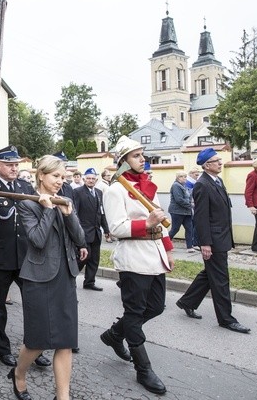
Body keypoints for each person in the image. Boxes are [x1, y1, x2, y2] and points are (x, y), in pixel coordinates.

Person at [99, 136, 174, 395]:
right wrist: (149, 223)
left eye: (143, 155)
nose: (143, 159)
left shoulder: (147, 186)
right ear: (123, 162)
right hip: (133, 259)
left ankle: (114, 335)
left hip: (154, 256)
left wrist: (168, 249)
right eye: (136, 155)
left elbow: (161, 219)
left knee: (156, 307)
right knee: (134, 314)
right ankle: (143, 369)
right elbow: (116, 228)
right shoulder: (115, 190)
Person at [12, 155, 86, 400]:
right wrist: (48, 210)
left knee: (65, 340)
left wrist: (68, 213)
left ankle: (62, 396)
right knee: (37, 341)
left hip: (65, 276)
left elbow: (80, 238)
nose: (60, 181)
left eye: (63, 177)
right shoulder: (27, 204)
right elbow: (37, 240)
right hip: (39, 278)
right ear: (41, 175)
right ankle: (19, 374)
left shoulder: (64, 200)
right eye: (55, 176)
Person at [0, 146, 50, 368]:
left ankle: (35, 349)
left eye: (16, 164)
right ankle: (3, 350)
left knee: (34, 304)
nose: (14, 168)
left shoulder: (24, 186)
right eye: (9, 164)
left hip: (25, 257)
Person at [176, 148, 251, 334]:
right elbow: (200, 217)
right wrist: (205, 243)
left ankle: (187, 301)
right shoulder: (202, 184)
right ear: (207, 165)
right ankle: (226, 319)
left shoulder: (217, 180)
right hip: (214, 240)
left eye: (220, 160)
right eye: (217, 160)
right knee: (220, 279)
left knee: (210, 274)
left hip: (222, 236)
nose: (220, 163)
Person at [72, 167, 110, 291]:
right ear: (84, 179)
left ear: (96, 179)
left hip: (96, 232)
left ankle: (89, 282)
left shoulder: (99, 192)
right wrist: (78, 230)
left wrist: (106, 229)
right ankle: (70, 279)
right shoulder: (78, 192)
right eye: (88, 178)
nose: (91, 181)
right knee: (83, 257)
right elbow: (75, 212)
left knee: (94, 259)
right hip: (84, 232)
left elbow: (101, 212)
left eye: (93, 179)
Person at [168, 171, 196, 252]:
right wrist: (190, 205)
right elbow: (179, 199)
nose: (184, 178)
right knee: (175, 229)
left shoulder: (184, 186)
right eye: (182, 176)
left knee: (189, 228)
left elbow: (189, 197)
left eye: (185, 177)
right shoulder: (176, 185)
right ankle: (165, 243)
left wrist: (191, 203)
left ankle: (189, 247)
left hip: (186, 212)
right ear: (178, 178)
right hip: (177, 211)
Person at [185, 166, 201, 249]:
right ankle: (193, 242)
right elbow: (189, 195)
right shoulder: (188, 183)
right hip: (191, 205)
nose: (197, 176)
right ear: (191, 174)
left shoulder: (194, 182)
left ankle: (194, 242)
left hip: (194, 205)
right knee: (192, 225)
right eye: (196, 174)